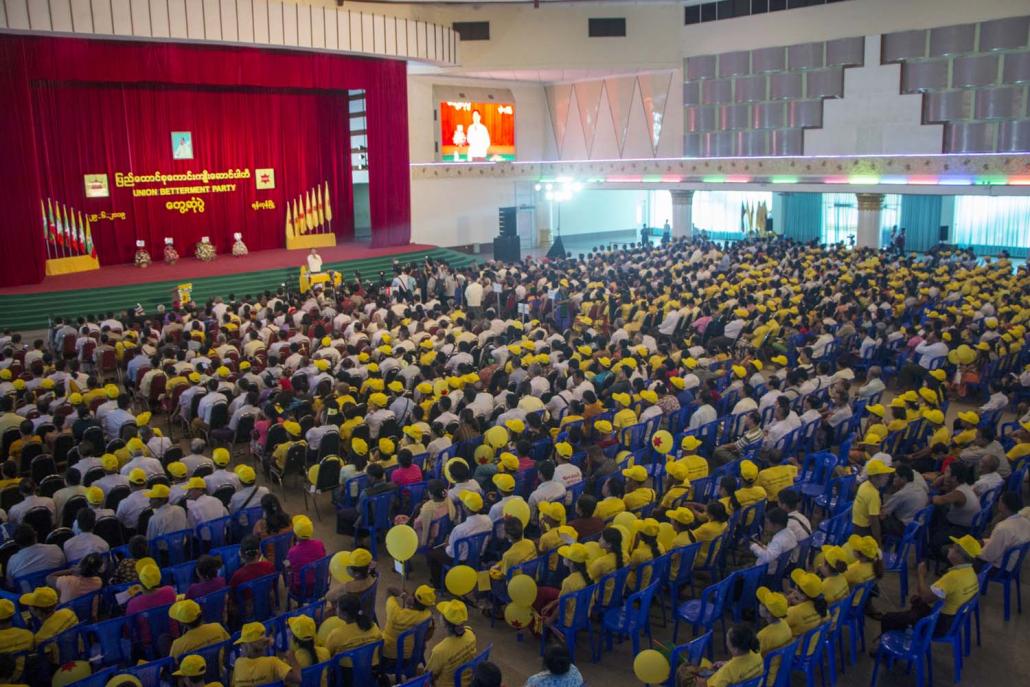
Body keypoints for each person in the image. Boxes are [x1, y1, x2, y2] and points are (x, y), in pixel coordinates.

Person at [876, 535, 981, 641]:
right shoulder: (972, 573)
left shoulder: (953, 577)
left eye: (953, 548)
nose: (949, 549)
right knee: (917, 603)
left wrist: (921, 575)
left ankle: (888, 649)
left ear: (959, 556)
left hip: (938, 625)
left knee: (888, 618)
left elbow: (926, 597)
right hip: (954, 622)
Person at [19, 586, 78, 664]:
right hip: (77, 654)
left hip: (59, 666)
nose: (29, 608)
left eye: (30, 606)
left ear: (38, 611)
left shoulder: (40, 638)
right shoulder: (69, 613)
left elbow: (48, 659)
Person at [426, 599, 478, 686]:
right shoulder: (471, 635)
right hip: (468, 683)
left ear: (445, 623)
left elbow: (430, 675)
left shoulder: (439, 651)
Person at [232, 621, 301, 686]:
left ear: (248, 645)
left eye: (243, 644)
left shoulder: (238, 664)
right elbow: (297, 678)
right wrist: (292, 657)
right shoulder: (272, 663)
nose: (242, 647)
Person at [695, 624, 764, 687]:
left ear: (735, 649)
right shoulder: (757, 654)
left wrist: (702, 685)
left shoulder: (727, 671)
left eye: (727, 640)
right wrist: (727, 663)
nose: (726, 642)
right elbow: (742, 667)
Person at [979, 492, 1030, 571]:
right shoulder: (1026, 522)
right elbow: (1005, 541)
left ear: (1004, 505)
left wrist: (973, 550)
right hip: (1013, 563)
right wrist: (983, 541)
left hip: (999, 567)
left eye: (999, 501)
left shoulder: (1002, 528)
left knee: (960, 556)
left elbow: (988, 556)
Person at [852, 458, 893, 543]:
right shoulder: (872, 494)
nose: (887, 478)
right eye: (885, 475)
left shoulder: (865, 485)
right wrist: (878, 541)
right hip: (863, 530)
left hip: (856, 524)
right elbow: (874, 522)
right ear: (875, 477)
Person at [749, 507, 798, 577]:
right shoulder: (790, 533)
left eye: (767, 523)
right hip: (782, 565)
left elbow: (767, 557)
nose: (765, 525)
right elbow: (775, 551)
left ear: (776, 525)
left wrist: (754, 546)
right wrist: (764, 547)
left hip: (769, 570)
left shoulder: (778, 540)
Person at [285, 515, 326, 592]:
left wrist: (285, 560)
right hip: (320, 585)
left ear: (296, 534)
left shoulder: (292, 551)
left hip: (301, 589)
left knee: (285, 562)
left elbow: (288, 566)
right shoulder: (319, 544)